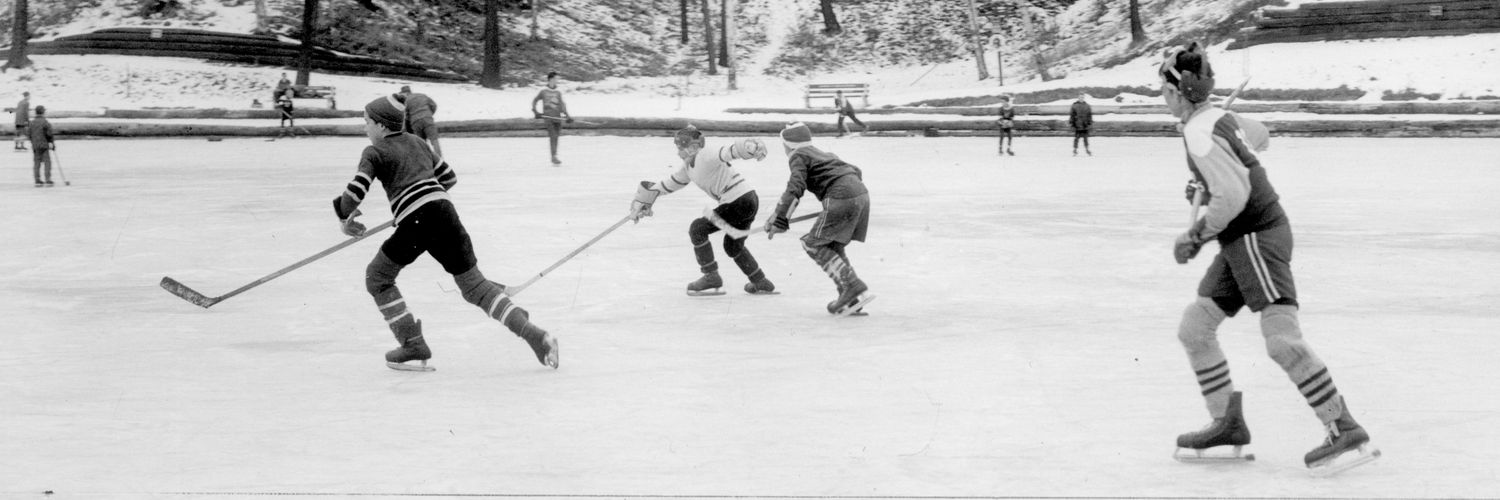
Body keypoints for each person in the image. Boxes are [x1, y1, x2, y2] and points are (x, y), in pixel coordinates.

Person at [1160, 43, 1377, 474]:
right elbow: (1260, 136)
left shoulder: (1200, 129)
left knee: (1280, 338)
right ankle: (1227, 422)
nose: (1162, 98)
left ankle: (1342, 424)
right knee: (1195, 328)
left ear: (1180, 92)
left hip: (1257, 237)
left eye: (1164, 90)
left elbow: (1234, 194)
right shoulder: (1216, 120)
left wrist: (1196, 234)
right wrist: (1218, 161)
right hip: (1245, 242)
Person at [332, 94, 559, 372]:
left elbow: (355, 192)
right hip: (446, 213)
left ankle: (412, 343)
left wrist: (344, 216)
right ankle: (533, 334)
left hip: (418, 220)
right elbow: (448, 178)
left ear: (381, 126)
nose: (364, 128)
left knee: (377, 278)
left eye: (366, 122)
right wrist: (427, 197)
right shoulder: (418, 142)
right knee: (475, 288)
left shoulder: (375, 151)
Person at [628, 124, 775, 296]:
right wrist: (646, 198)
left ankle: (711, 276)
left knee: (698, 228)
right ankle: (761, 281)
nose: (678, 152)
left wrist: (750, 146)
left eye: (680, 148)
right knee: (733, 246)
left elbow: (729, 151)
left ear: (693, 147)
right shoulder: (688, 168)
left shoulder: (706, 155)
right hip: (748, 200)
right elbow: (670, 184)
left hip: (737, 202)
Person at [767, 122, 874, 316]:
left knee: (813, 244)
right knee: (831, 245)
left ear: (788, 144)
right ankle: (850, 297)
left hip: (842, 197)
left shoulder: (798, 156)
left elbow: (795, 188)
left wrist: (780, 220)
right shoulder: (824, 154)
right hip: (861, 195)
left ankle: (851, 285)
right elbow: (856, 171)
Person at [531, 71, 573, 165]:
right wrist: (535, 111)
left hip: (557, 118)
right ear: (550, 79)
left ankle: (554, 155)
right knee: (553, 136)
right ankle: (553, 157)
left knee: (556, 137)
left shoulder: (558, 93)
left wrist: (567, 116)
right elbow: (535, 101)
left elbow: (562, 105)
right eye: (555, 79)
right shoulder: (543, 92)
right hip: (548, 117)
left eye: (557, 79)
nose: (557, 81)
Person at [399, 85, 443, 158]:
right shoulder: (422, 95)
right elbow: (434, 105)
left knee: (421, 143)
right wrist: (429, 114)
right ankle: (440, 160)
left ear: (406, 93)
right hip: (428, 119)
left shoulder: (405, 101)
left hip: (415, 122)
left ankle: (425, 161)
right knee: (434, 140)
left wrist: (405, 128)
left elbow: (405, 116)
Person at [28, 105, 54, 187]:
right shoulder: (45, 122)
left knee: (37, 163)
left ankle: (37, 180)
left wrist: (33, 142)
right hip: (44, 145)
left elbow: (29, 134)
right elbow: (49, 134)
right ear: (43, 112)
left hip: (35, 146)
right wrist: (52, 143)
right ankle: (47, 179)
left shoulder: (32, 123)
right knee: (47, 162)